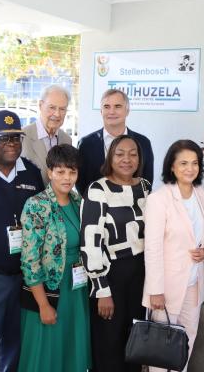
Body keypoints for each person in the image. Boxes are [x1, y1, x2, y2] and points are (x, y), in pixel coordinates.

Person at [80, 134, 150, 372]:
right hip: (112, 274)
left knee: (135, 339)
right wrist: (101, 290)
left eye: (133, 154)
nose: (126, 159)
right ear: (110, 157)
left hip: (141, 273)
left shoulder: (145, 187)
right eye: (120, 154)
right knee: (109, 342)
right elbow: (91, 242)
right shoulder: (98, 189)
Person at [18, 144, 90, 372]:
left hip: (76, 289)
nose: (67, 178)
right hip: (48, 290)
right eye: (60, 172)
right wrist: (43, 304)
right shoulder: (36, 205)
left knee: (71, 348)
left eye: (72, 171)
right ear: (49, 172)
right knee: (44, 353)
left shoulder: (80, 203)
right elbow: (30, 261)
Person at [142, 139, 204, 372]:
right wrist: (156, 290)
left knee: (186, 343)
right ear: (171, 166)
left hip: (194, 284)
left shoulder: (202, 193)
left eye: (194, 163)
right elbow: (152, 248)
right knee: (161, 348)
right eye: (183, 163)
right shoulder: (158, 199)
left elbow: (203, 236)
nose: (190, 168)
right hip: (167, 287)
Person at [0, 110, 43, 372]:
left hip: (24, 278)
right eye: (3, 137)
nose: (11, 143)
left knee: (17, 344)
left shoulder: (31, 173)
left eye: (16, 138)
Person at [77, 89, 154, 195]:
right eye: (106, 107)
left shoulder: (143, 143)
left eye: (117, 106)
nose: (111, 112)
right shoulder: (86, 144)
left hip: (134, 208)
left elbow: (147, 181)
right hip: (95, 208)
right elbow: (81, 183)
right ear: (101, 111)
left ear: (127, 111)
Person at [22, 85, 72, 185]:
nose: (57, 114)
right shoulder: (22, 136)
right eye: (52, 107)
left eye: (62, 109)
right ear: (40, 105)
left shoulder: (67, 140)